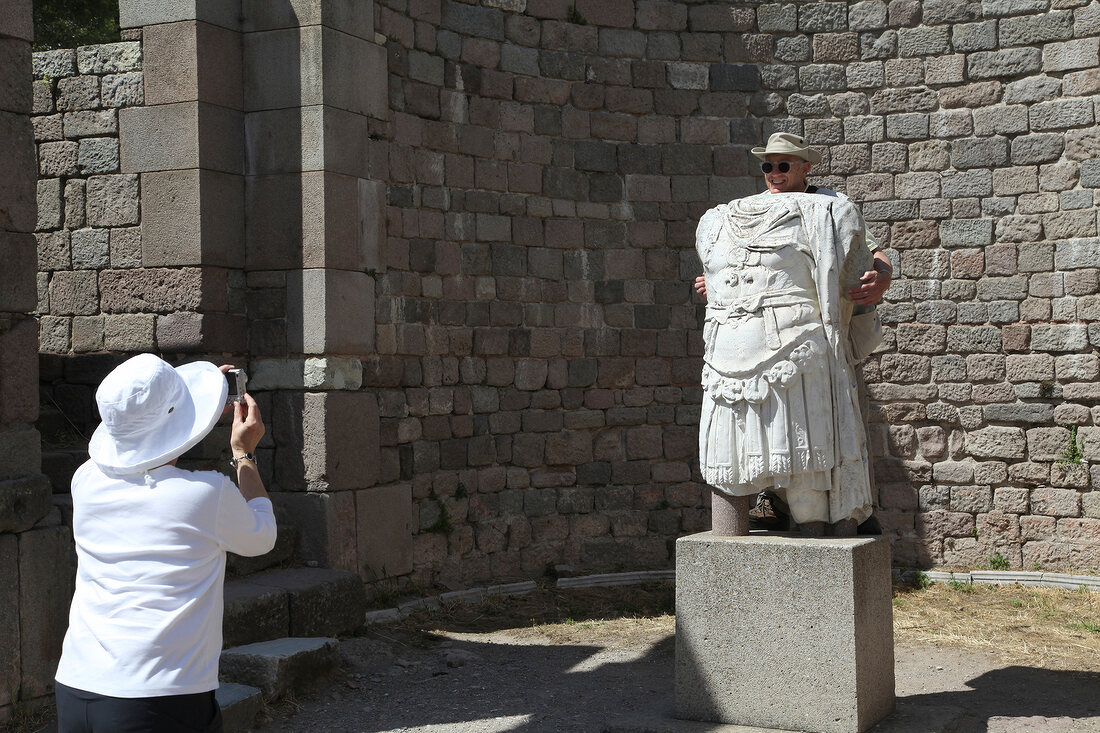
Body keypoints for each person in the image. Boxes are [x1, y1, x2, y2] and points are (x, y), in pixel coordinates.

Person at [55, 354, 277, 733]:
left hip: (78, 686)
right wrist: (244, 454)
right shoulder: (207, 495)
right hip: (159, 697)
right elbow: (263, 535)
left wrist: (194, 396)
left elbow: (148, 438)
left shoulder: (85, 481)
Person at [695, 132, 891, 534]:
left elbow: (870, 256)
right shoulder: (738, 215)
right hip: (737, 338)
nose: (774, 173)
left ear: (805, 167)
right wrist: (712, 284)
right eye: (768, 166)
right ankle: (770, 501)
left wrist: (881, 279)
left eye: (784, 165)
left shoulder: (831, 208)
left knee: (821, 422)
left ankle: (847, 506)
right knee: (756, 429)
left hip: (809, 337)